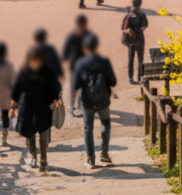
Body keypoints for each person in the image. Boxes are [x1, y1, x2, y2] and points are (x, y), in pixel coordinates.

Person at [10, 45, 62, 173]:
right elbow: (16, 89)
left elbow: (56, 87)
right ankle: (33, 155)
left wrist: (55, 100)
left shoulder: (48, 72)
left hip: (43, 110)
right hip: (27, 110)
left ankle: (44, 160)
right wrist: (12, 107)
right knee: (29, 136)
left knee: (44, 137)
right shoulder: (24, 72)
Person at [71, 32, 117, 169]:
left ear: (85, 47)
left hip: (87, 102)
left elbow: (75, 85)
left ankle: (91, 159)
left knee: (88, 128)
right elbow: (113, 81)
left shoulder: (81, 64)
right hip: (103, 100)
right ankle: (104, 154)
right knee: (106, 124)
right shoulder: (104, 62)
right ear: (97, 46)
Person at [62, 14, 90, 114]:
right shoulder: (75, 36)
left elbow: (65, 51)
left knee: (82, 87)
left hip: (83, 66)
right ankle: (74, 105)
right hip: (75, 66)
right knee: (75, 86)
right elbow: (66, 50)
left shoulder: (81, 35)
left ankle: (78, 105)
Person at [122, 0, 149, 84]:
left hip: (131, 40)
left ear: (132, 3)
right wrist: (140, 29)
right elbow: (145, 25)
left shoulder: (129, 15)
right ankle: (140, 77)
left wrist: (129, 31)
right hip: (140, 38)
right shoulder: (142, 14)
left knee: (131, 59)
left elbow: (123, 27)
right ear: (140, 4)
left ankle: (130, 77)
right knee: (140, 59)